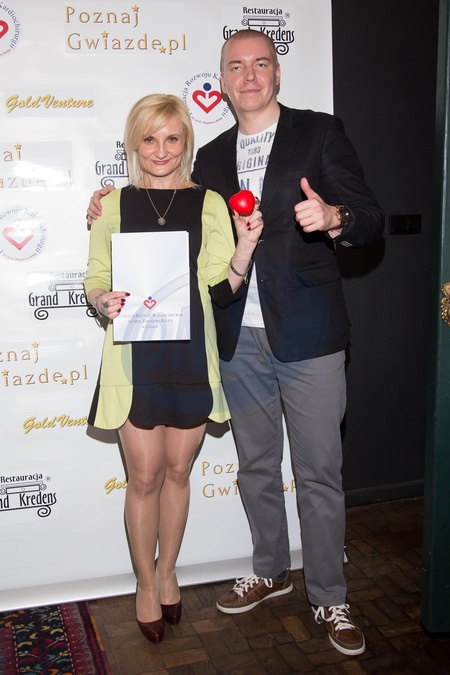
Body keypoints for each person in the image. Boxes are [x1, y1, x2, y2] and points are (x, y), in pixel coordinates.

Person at [86, 30, 384, 657]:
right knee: (254, 467)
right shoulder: (213, 160)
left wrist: (335, 218)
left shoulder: (319, 132)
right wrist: (103, 206)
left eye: (260, 64)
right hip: (233, 342)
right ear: (221, 81)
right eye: (236, 66)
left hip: (308, 333)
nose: (248, 76)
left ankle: (330, 597)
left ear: (277, 73)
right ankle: (270, 570)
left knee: (318, 473)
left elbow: (368, 217)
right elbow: (166, 224)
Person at [84, 93, 263, 644]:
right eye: (149, 138)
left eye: (172, 138)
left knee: (179, 474)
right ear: (134, 143)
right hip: (136, 357)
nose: (160, 150)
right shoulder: (112, 205)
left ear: (185, 143)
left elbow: (220, 287)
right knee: (145, 477)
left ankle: (168, 574)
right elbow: (95, 276)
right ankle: (144, 583)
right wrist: (102, 300)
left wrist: (244, 249)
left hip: (189, 356)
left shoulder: (209, 203)